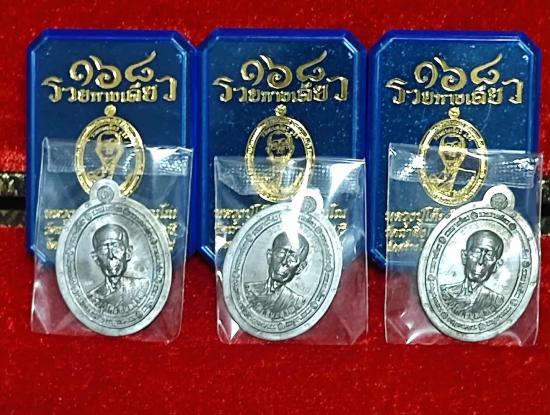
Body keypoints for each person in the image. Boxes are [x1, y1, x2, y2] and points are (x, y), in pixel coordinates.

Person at [441, 230, 505, 319]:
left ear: (496, 265)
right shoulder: (444, 293)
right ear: (464, 256)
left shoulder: (496, 300)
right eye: (476, 253)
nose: (481, 261)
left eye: (489, 256)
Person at [244, 232, 309, 318]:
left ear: (300, 268)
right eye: (280, 253)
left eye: (292, 258)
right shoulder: (246, 291)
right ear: (269, 256)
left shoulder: (297, 303)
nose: (284, 262)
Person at [87, 224, 149, 312]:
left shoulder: (142, 287)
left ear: (128, 253)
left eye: (116, 247)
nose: (111, 255)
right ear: (96, 258)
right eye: (104, 249)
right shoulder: (91, 299)